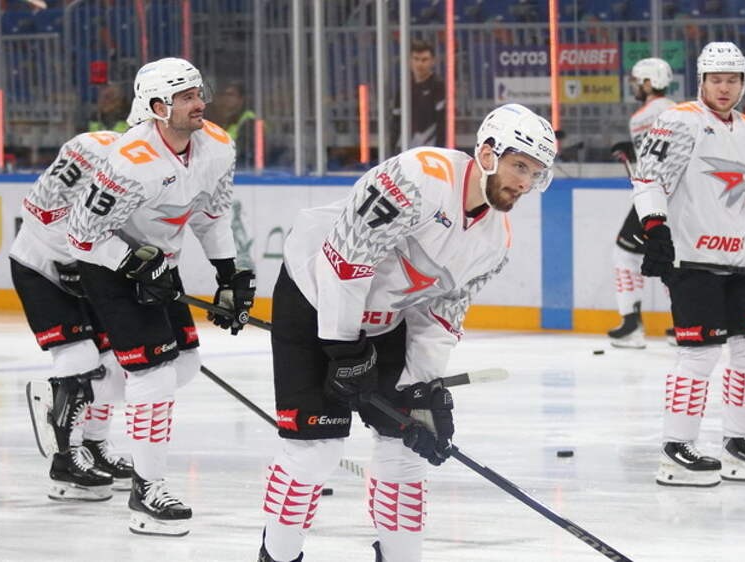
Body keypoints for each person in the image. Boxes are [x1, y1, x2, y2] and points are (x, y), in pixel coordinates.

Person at [257, 103, 556, 562]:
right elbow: (347, 256)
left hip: (384, 321)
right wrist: (343, 347)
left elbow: (440, 318)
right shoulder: (418, 177)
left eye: (535, 174)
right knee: (316, 450)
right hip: (314, 296)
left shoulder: (495, 243)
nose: (525, 183)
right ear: (488, 153)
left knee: (405, 446)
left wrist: (422, 390)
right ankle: (277, 556)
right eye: (520, 166)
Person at [66, 57, 256, 536]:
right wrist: (132, 263)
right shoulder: (129, 160)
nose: (200, 103)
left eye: (199, 92)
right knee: (153, 376)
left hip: (158, 266)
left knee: (184, 365)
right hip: (107, 267)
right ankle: (147, 490)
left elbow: (212, 215)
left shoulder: (217, 145)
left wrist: (228, 274)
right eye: (186, 97)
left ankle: (77, 395)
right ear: (157, 107)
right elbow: (82, 236)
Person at [632, 42, 745, 487]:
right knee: (701, 353)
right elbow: (648, 179)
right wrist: (656, 230)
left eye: (732, 80)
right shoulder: (679, 121)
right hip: (691, 260)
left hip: (737, 261)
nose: (724, 88)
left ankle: (738, 443)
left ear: (744, 83)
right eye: (715, 80)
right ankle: (676, 449)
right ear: (702, 82)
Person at [16, 129, 134, 502]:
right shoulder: (91, 148)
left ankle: (94, 445)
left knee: (113, 358)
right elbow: (40, 208)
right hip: (41, 264)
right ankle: (65, 460)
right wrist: (67, 259)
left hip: (91, 269)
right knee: (79, 356)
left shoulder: (156, 165)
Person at [607, 57, 678, 349]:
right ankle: (686, 323)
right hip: (680, 197)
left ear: (650, 83)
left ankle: (631, 325)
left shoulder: (641, 117)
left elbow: (650, 164)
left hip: (653, 197)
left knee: (624, 254)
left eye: (638, 81)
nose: (635, 87)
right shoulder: (678, 109)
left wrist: (632, 154)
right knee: (672, 257)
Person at [389, 39, 446, 152]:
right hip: (405, 148)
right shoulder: (404, 86)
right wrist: (392, 147)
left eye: (424, 60)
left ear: (433, 61)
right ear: (410, 61)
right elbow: (396, 119)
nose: (420, 64)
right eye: (416, 59)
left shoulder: (438, 86)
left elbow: (442, 122)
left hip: (430, 149)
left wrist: (440, 150)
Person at [212, 81, 258, 168]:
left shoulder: (248, 121)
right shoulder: (215, 119)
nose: (225, 98)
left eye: (230, 95)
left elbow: (245, 153)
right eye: (222, 94)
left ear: (240, 99)